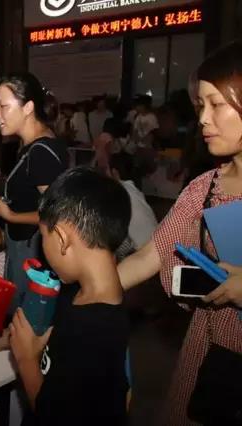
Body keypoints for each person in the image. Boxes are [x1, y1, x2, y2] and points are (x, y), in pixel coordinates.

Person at [118, 42, 242, 425]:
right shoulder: (204, 188)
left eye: (216, 105)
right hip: (208, 357)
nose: (203, 119)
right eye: (200, 106)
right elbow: (149, 256)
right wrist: (89, 284)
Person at [10, 167, 131, 426]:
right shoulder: (83, 293)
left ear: (62, 238)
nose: (42, 246)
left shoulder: (92, 331)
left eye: (43, 236)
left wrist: (26, 359)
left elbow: (55, 416)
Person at [0, 73, 68, 313]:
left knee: (25, 314)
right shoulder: (31, 145)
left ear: (28, 108)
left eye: (3, 106)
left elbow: (57, 213)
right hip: (23, 244)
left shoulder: (40, 152)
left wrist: (10, 216)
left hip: (32, 252)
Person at [109, 152, 158, 259]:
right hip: (155, 245)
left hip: (143, 253)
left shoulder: (118, 192)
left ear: (114, 172)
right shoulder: (133, 190)